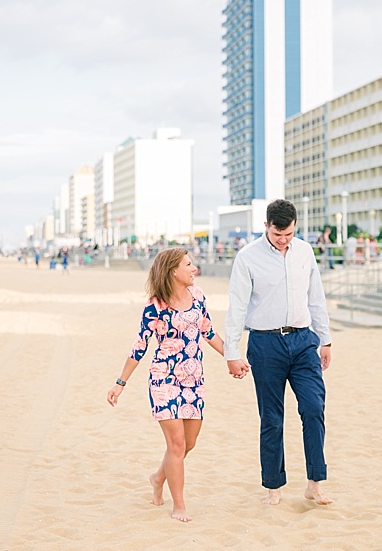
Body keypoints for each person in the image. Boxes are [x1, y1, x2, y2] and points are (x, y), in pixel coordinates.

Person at [222, 199, 333, 506]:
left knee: (313, 408)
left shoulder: (305, 252)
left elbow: (316, 297)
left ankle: (315, 483)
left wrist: (325, 339)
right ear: (266, 226)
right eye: (277, 234)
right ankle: (274, 486)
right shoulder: (247, 258)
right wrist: (232, 352)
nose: (283, 240)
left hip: (303, 342)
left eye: (288, 234)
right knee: (271, 418)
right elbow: (238, 307)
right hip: (265, 344)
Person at [107, 247, 225, 522]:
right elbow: (139, 346)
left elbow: (208, 331)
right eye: (188, 264)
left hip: (193, 379)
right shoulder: (155, 306)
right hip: (164, 379)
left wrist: (233, 357)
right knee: (176, 443)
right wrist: (120, 383)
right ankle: (179, 505)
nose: (194, 268)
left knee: (189, 443)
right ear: (174, 271)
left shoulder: (198, 296)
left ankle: (157, 478)